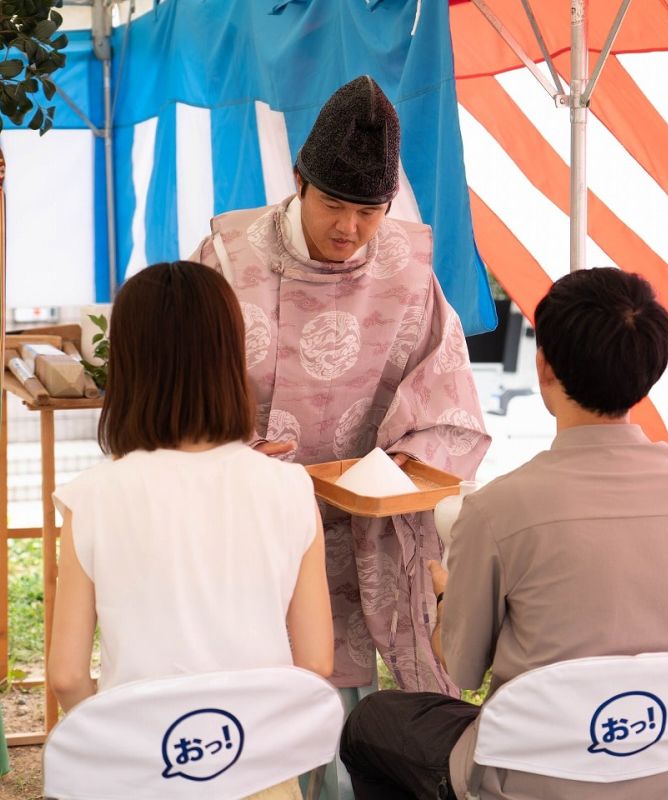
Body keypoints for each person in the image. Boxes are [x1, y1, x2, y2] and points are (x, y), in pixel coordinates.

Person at [339, 268, 668, 799]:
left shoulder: (499, 508)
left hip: (532, 778)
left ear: (543, 364)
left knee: (373, 722)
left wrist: (446, 598)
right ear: (652, 368)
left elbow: (460, 667)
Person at [191, 75, 490, 699]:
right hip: (253, 508)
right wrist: (230, 448)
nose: (349, 228)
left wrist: (409, 461)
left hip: (367, 517)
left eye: (368, 211)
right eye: (333, 205)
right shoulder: (226, 259)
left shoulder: (408, 270)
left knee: (360, 698)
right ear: (298, 183)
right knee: (261, 684)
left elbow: (448, 396)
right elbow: (180, 387)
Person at [48, 261, 333, 800]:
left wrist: (119, 747)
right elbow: (316, 662)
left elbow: (66, 675)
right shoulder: (292, 489)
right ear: (229, 356)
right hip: (258, 768)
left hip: (137, 772)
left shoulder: (91, 498)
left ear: (129, 364)